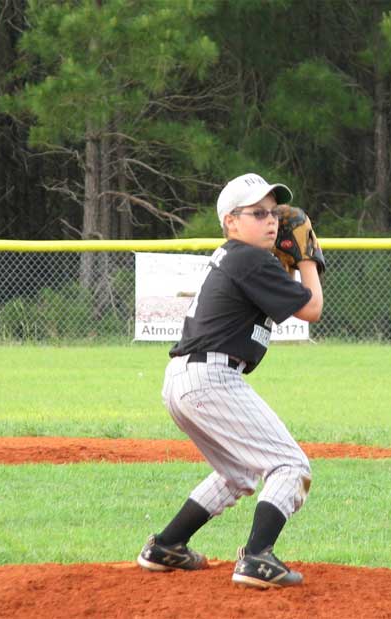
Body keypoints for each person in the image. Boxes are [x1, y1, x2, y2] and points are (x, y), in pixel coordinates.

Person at [136, 172, 325, 589]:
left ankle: (167, 545)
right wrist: (310, 259)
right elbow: (312, 309)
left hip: (186, 379)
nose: (272, 220)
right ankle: (257, 558)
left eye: (273, 212)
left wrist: (287, 263)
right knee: (290, 464)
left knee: (237, 473)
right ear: (231, 222)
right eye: (257, 213)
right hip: (210, 378)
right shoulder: (248, 256)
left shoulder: (241, 257)